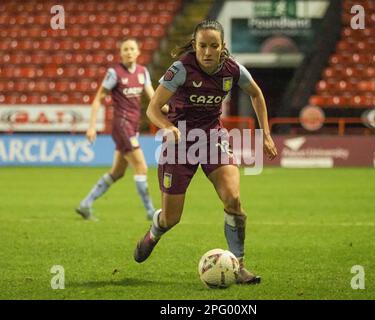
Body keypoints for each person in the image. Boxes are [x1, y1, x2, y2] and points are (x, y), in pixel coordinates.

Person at [133, 20, 277, 284]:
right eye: (202, 46)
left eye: (214, 46)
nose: (207, 52)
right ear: (195, 45)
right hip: (179, 143)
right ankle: (155, 231)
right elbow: (153, 109)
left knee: (233, 200)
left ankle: (239, 264)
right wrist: (166, 126)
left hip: (213, 137)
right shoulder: (180, 69)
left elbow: (256, 94)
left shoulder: (233, 69)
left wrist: (265, 133)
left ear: (222, 47)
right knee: (171, 218)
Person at [76, 39, 164, 221]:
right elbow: (98, 99)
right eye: (126, 49)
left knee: (117, 172)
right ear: (121, 53)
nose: (129, 52)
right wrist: (91, 126)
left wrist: (169, 109)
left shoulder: (142, 72)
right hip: (122, 125)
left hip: (133, 125)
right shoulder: (114, 73)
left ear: (138, 52)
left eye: (132, 49)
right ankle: (150, 211)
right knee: (141, 167)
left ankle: (85, 204)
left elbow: (154, 98)